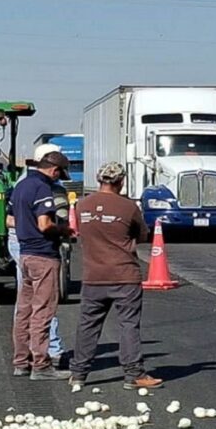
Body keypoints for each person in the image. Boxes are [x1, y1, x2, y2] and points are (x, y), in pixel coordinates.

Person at [69, 162, 163, 390]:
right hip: (124, 275)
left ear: (99, 179)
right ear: (120, 182)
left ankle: (79, 374)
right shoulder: (128, 207)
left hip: (93, 276)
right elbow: (142, 235)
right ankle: (134, 374)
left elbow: (79, 231)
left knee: (88, 326)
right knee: (128, 325)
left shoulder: (82, 206)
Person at [10, 150, 73, 380]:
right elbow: (45, 224)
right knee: (43, 311)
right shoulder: (43, 188)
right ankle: (41, 365)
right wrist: (65, 230)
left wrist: (25, 226)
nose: (58, 178)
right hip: (44, 255)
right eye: (59, 174)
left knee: (23, 311)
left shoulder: (21, 186)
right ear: (54, 170)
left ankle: (20, 362)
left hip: (24, 254)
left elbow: (9, 219)